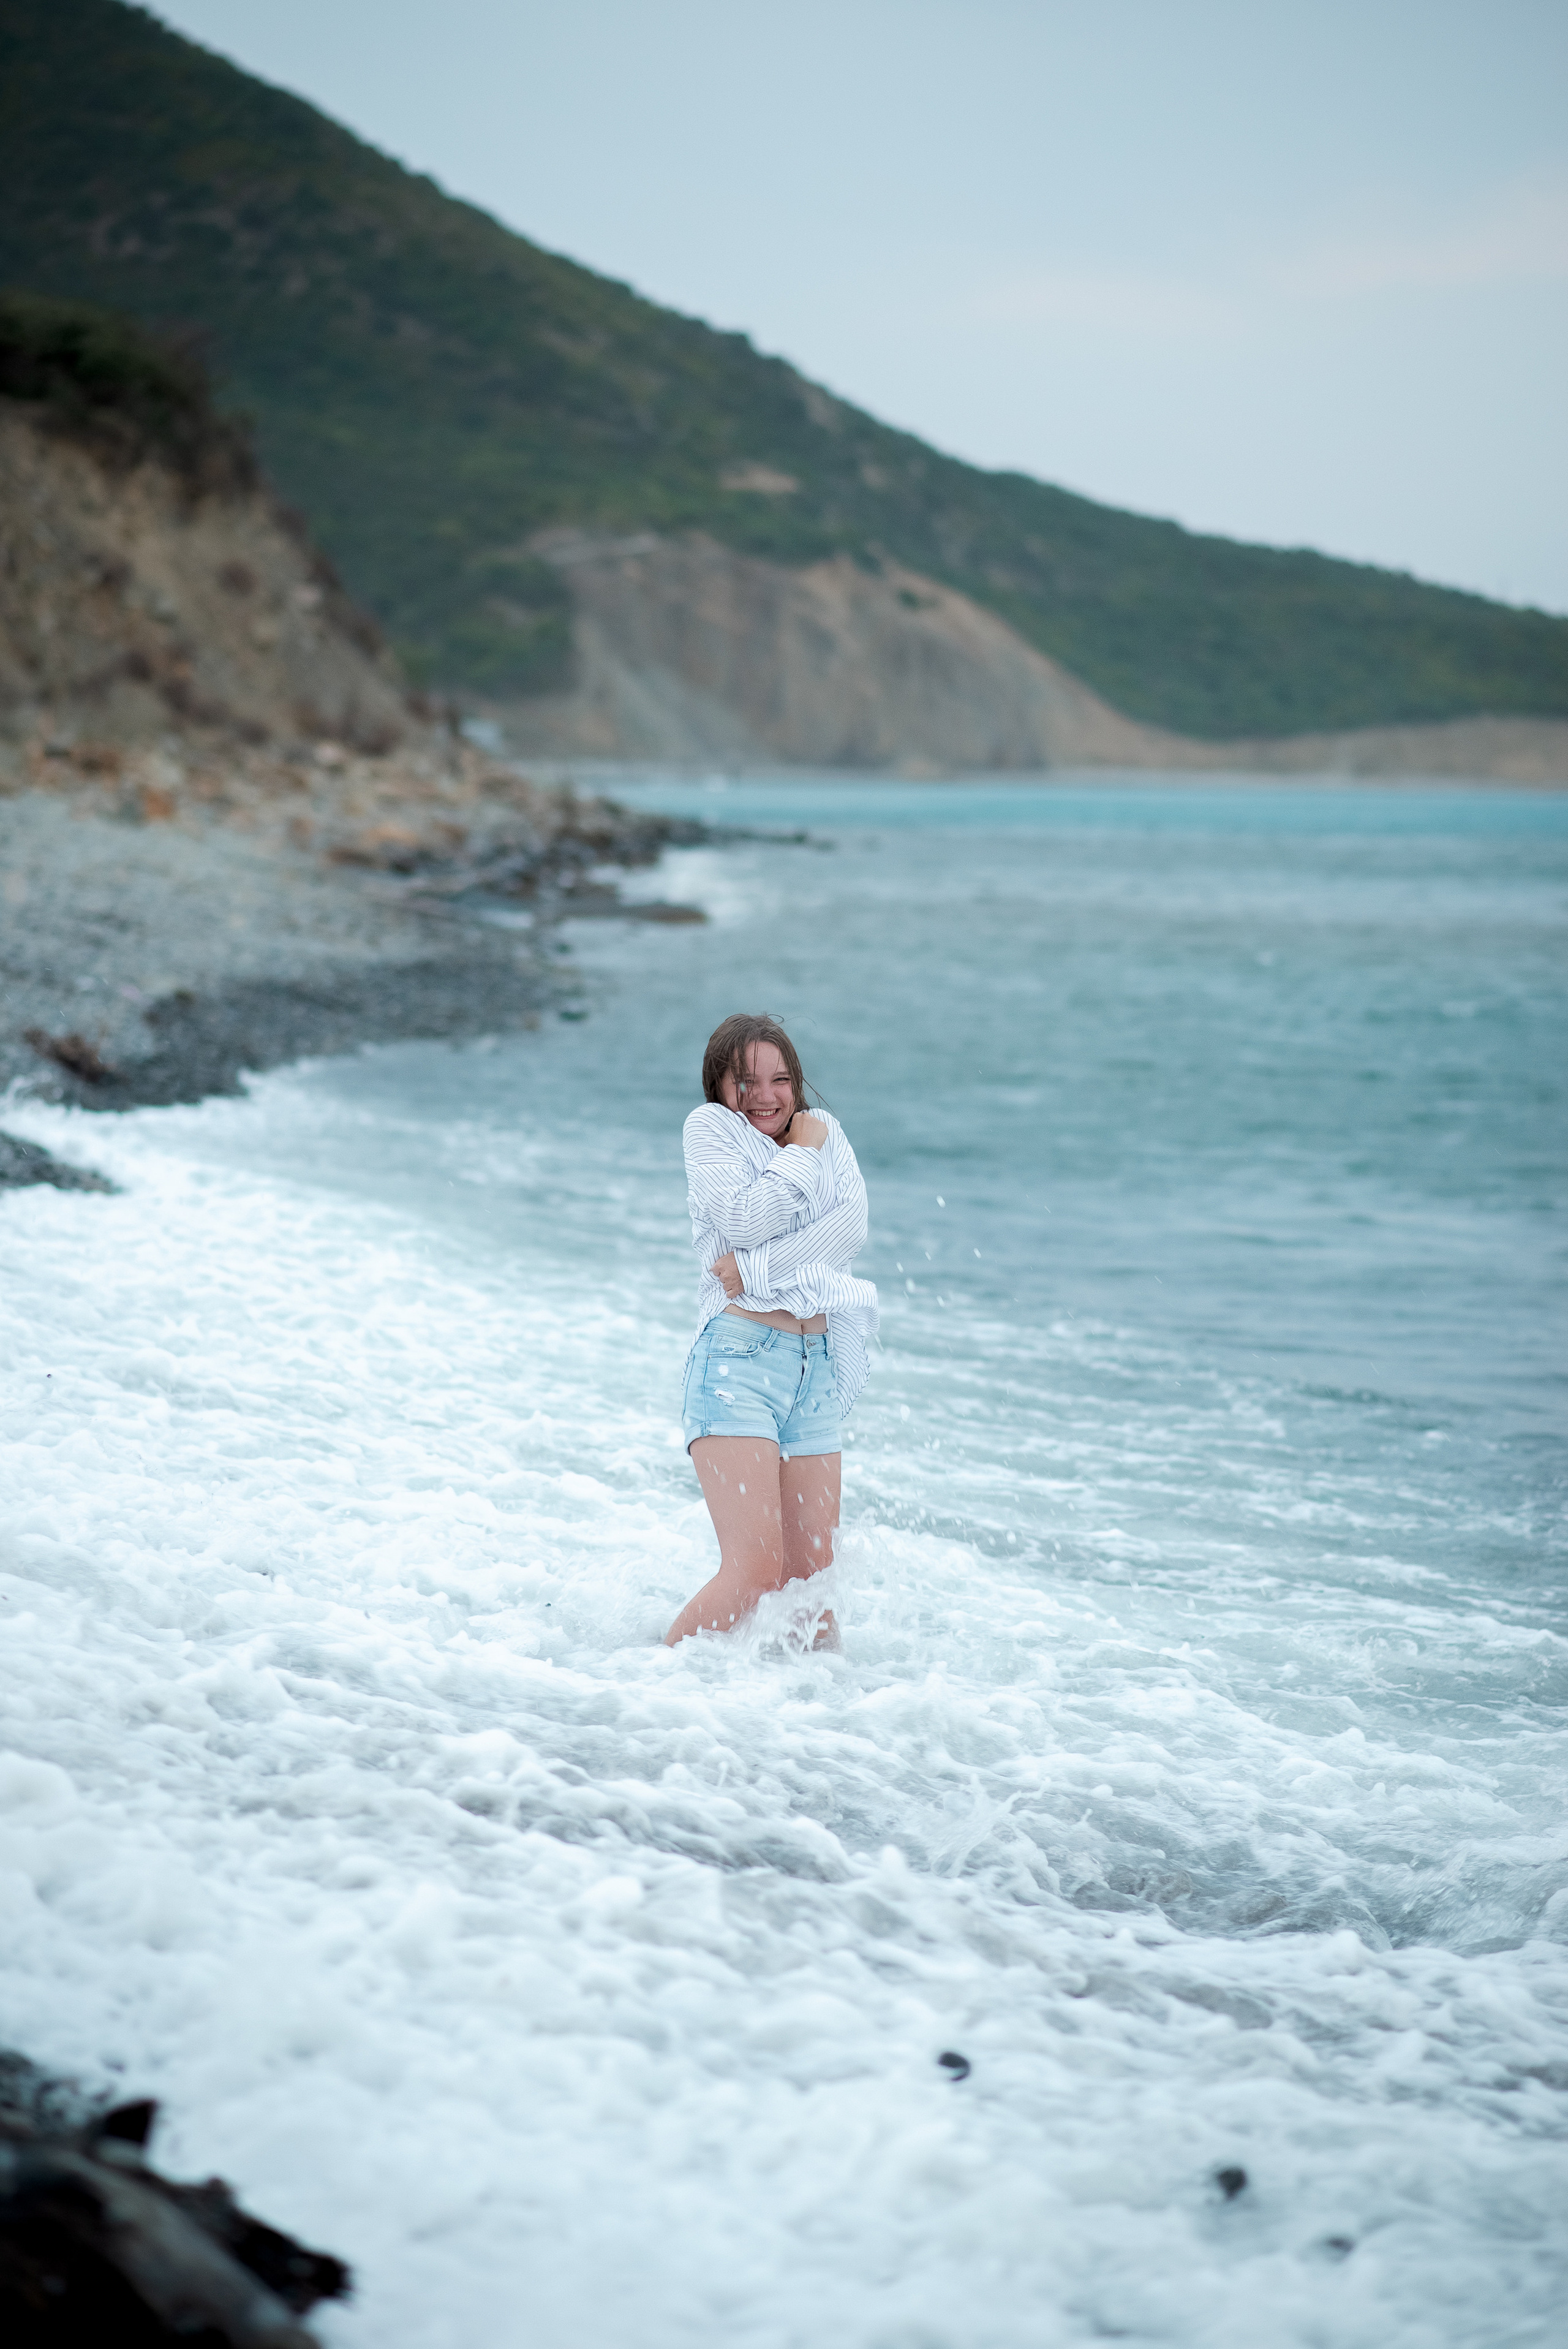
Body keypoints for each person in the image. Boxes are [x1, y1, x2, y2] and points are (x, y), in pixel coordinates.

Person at [664, 1012, 878, 1646]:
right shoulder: (710, 1131)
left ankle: (820, 1730)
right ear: (719, 1084)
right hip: (738, 1362)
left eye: (780, 1080)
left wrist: (756, 1268)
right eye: (746, 1081)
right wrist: (803, 1155)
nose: (765, 1096)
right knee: (755, 1570)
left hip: (813, 1368)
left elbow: (851, 1231)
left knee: (813, 1585)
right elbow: (746, 1217)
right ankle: (645, 1691)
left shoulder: (826, 1129)